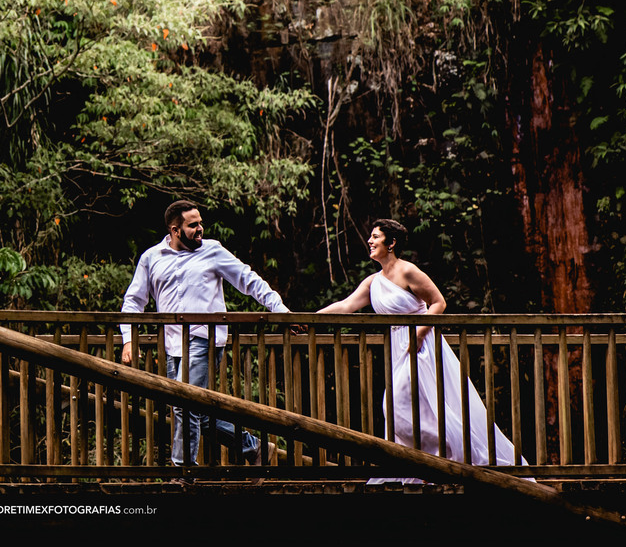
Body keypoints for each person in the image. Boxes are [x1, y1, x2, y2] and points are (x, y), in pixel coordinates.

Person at [318, 218, 525, 480]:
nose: (369, 241)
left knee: (397, 405)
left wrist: (419, 332)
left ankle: (452, 455)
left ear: (391, 243)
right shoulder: (373, 282)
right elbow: (346, 305)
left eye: (375, 237)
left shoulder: (408, 271)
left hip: (421, 344)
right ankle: (430, 463)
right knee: (415, 409)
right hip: (398, 346)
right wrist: (308, 317)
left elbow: (438, 302)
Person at [120, 200, 290, 467]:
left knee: (184, 403)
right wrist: (129, 338)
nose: (201, 229)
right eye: (193, 225)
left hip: (203, 338)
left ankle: (184, 471)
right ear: (175, 230)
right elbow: (134, 301)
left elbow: (248, 280)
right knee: (197, 410)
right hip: (172, 344)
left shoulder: (212, 251)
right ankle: (255, 449)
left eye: (200, 223)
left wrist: (279, 309)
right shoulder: (151, 258)